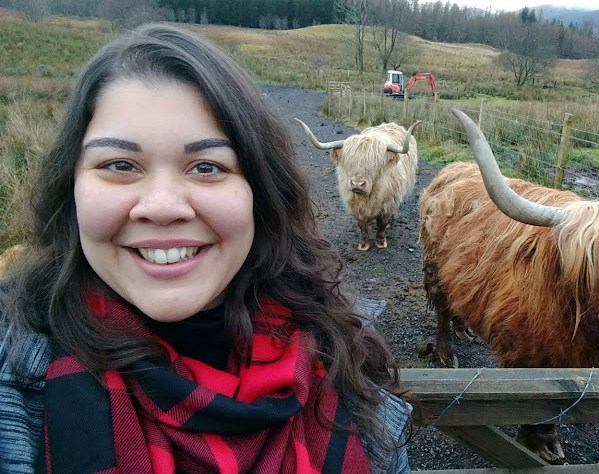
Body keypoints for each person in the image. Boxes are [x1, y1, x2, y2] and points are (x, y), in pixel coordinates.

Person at [0, 23, 411, 473]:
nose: (162, 207)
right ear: (70, 184)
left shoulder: (350, 370)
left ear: (261, 191)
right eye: (119, 164)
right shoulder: (13, 386)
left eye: (207, 166)